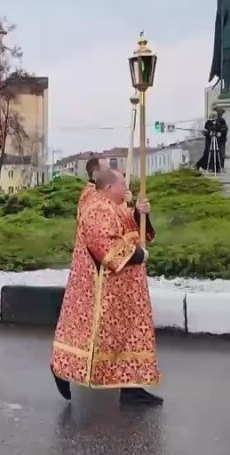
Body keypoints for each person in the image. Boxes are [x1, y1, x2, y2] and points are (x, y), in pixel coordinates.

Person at [51, 169, 162, 407]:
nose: (127, 188)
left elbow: (134, 229)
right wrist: (138, 254)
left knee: (127, 337)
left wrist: (140, 215)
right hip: (103, 291)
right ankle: (61, 368)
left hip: (125, 291)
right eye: (123, 184)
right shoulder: (97, 208)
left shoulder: (115, 207)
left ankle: (132, 387)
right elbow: (104, 246)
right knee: (91, 337)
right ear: (110, 188)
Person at [196, 108, 228, 173]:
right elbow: (205, 131)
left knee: (220, 154)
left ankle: (219, 167)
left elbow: (224, 128)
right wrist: (208, 132)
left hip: (220, 140)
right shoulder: (208, 122)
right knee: (209, 154)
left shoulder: (221, 121)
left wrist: (220, 131)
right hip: (210, 141)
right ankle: (209, 167)